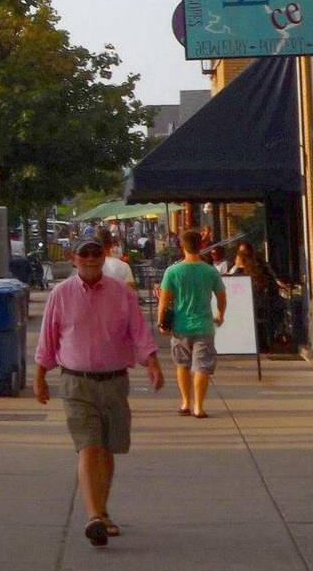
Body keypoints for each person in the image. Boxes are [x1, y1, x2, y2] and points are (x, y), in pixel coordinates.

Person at [35, 231, 164, 548]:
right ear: (73, 258)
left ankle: (102, 512)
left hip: (114, 381)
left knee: (107, 450)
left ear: (103, 256)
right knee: (89, 447)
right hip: (76, 382)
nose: (90, 259)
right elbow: (47, 339)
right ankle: (93, 516)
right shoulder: (61, 294)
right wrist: (40, 375)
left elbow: (138, 331)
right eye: (84, 254)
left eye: (95, 253)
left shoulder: (122, 293)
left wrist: (152, 362)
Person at [157, 228, 227, 419]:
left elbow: (164, 300)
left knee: (182, 365)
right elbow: (221, 296)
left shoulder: (172, 271)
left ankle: (186, 402)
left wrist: (161, 322)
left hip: (181, 326)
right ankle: (199, 406)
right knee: (202, 366)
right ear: (201, 246)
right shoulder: (210, 271)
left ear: (182, 246)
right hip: (204, 325)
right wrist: (220, 313)